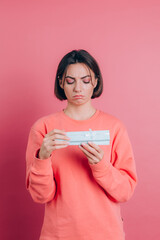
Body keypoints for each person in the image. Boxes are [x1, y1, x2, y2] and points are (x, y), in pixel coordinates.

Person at [26, 49, 137, 240]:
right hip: (59, 234)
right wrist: (42, 158)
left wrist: (101, 166)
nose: (78, 88)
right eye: (70, 81)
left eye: (86, 81)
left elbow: (125, 191)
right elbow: (41, 196)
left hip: (106, 234)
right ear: (61, 82)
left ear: (95, 81)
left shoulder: (114, 127)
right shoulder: (43, 128)